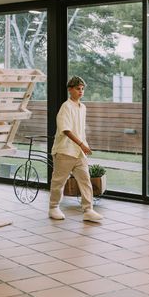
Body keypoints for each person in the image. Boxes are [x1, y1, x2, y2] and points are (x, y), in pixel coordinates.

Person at [48, 76, 103, 222]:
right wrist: (81, 144)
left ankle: (88, 210)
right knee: (59, 181)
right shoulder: (65, 107)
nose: (81, 91)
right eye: (78, 89)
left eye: (83, 89)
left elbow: (80, 130)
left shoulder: (82, 107)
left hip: (79, 153)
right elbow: (65, 130)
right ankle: (53, 207)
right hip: (65, 151)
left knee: (85, 180)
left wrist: (84, 144)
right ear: (70, 89)